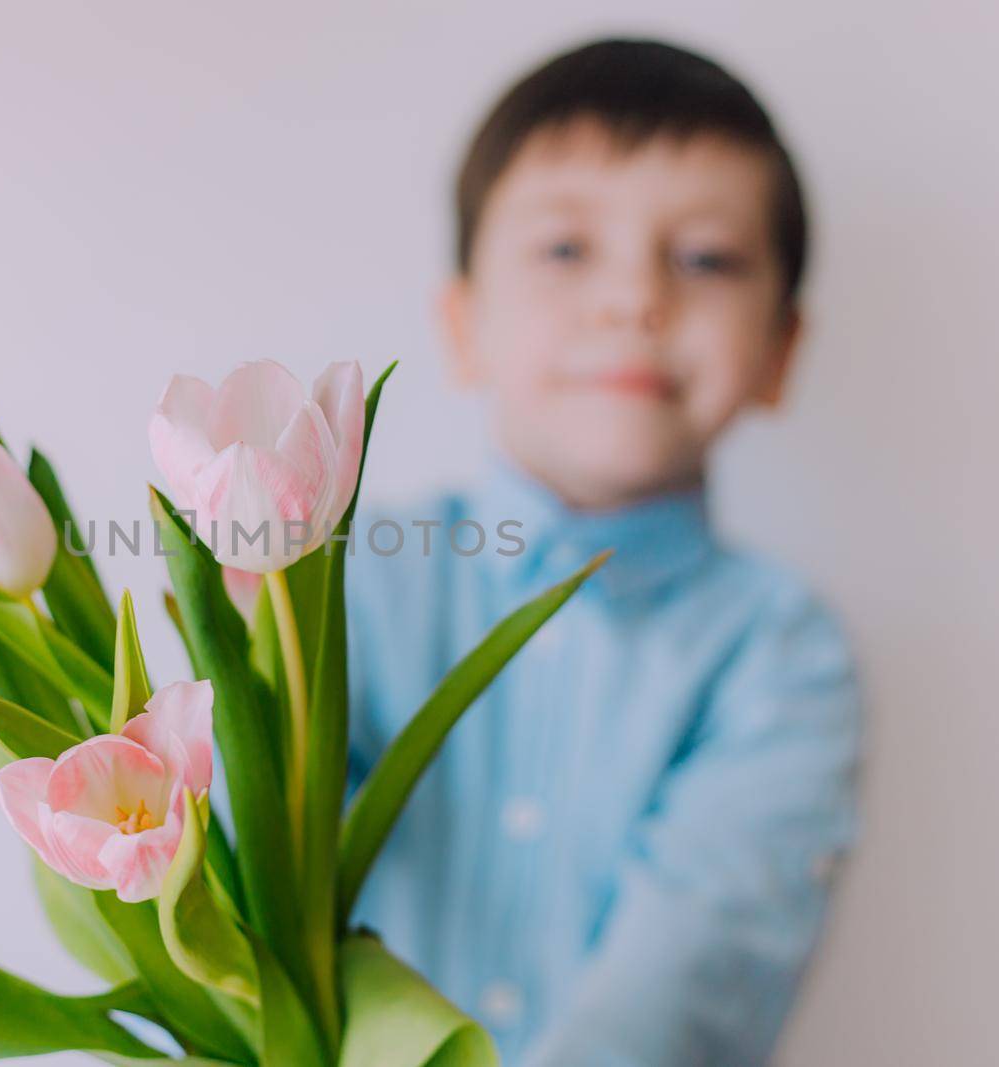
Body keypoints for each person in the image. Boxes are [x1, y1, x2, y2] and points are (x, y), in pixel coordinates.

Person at [345, 38, 862, 1066]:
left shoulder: (783, 655)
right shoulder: (344, 580)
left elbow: (686, 987)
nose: (633, 299)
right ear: (463, 325)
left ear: (779, 352)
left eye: (706, 258)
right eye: (565, 250)